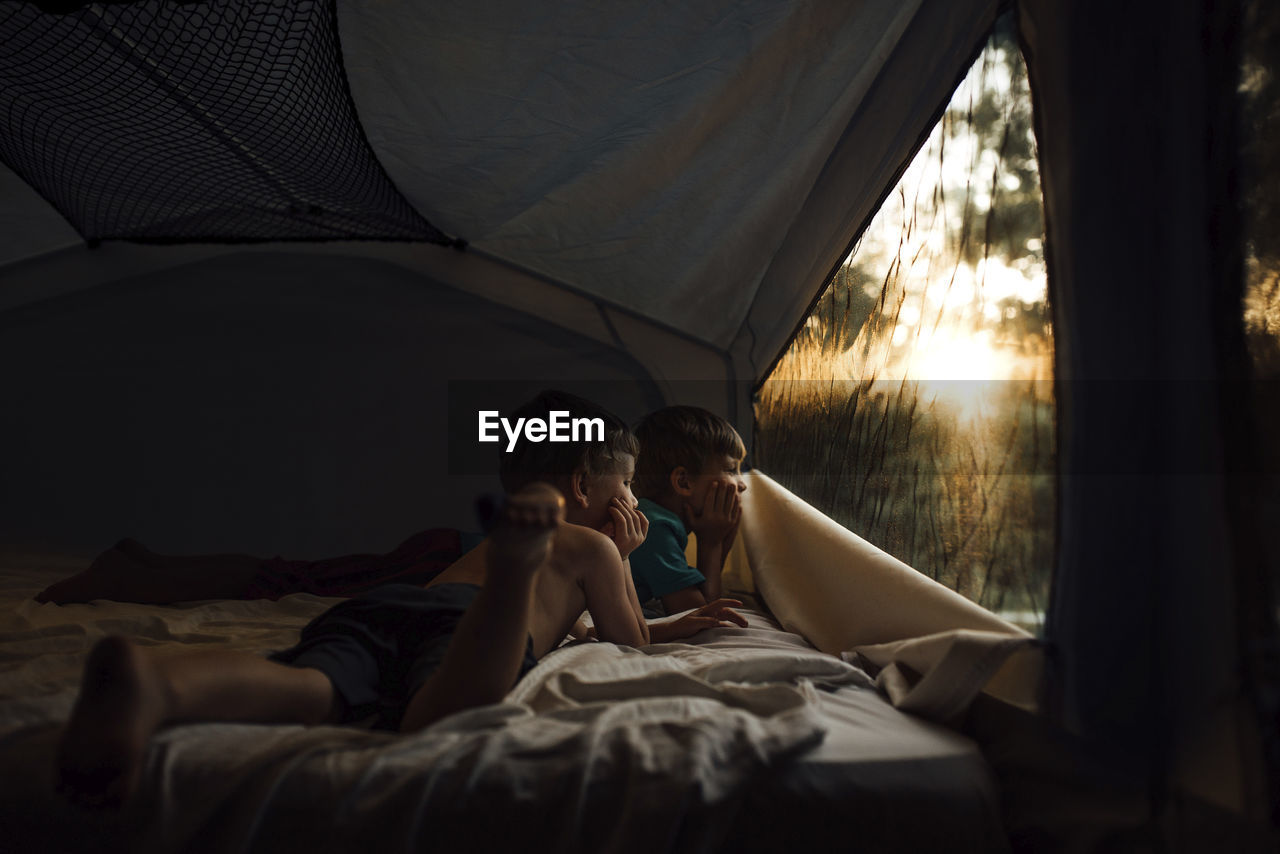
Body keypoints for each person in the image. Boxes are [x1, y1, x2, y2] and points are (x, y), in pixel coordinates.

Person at [55, 390, 743, 808]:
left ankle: (154, 686)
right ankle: (507, 595)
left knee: (308, 684)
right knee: (433, 715)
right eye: (625, 490)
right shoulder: (591, 546)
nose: (631, 504)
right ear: (584, 489)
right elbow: (629, 643)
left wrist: (681, 615)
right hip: (466, 622)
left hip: (396, 603)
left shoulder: (503, 539)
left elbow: (601, 627)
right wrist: (620, 562)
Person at [628, 405, 748, 616]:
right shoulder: (654, 528)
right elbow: (699, 612)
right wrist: (711, 543)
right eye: (730, 469)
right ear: (684, 482)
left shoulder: (656, 518)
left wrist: (720, 539)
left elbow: (703, 594)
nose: (742, 484)